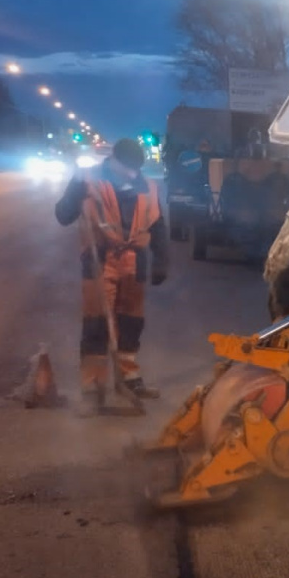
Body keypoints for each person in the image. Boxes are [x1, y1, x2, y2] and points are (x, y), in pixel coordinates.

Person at [55, 138, 168, 416]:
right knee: (96, 323)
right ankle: (93, 385)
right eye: (127, 167)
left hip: (135, 262)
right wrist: (74, 193)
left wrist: (161, 260)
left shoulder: (148, 185)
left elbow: (158, 224)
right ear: (113, 160)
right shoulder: (88, 180)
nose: (132, 173)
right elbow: (63, 215)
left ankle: (129, 378)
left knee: (131, 322)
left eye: (136, 168)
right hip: (101, 260)